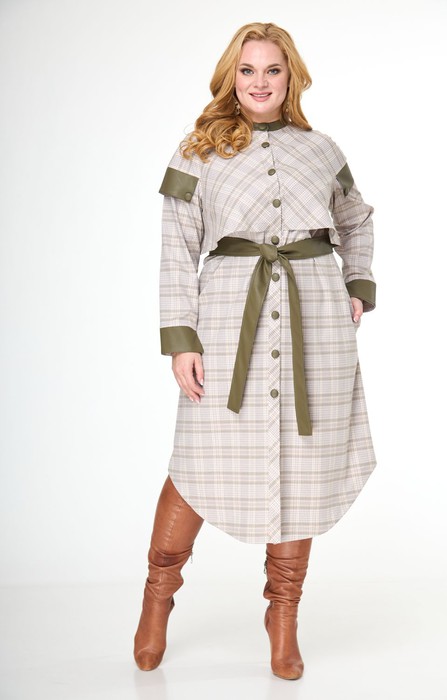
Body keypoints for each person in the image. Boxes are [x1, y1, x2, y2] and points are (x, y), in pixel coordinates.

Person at [134, 22, 376, 681]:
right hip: (227, 317)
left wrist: (357, 283)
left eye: (272, 69)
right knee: (199, 459)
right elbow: (177, 246)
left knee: (301, 463)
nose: (260, 81)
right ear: (230, 77)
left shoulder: (322, 149)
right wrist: (180, 338)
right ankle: (157, 598)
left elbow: (356, 218)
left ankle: (283, 616)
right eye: (247, 70)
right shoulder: (198, 150)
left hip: (314, 319)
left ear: (291, 76)